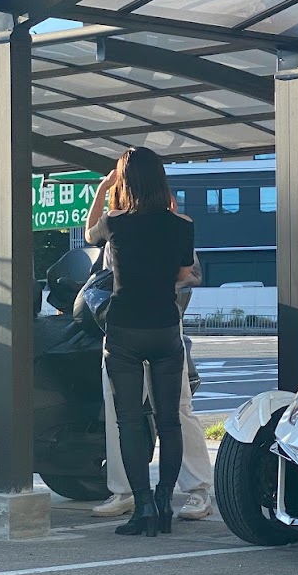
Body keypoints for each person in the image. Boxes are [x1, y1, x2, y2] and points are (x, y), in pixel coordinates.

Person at [85, 147, 195, 537]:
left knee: (129, 421)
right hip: (165, 328)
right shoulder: (182, 225)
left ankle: (143, 506)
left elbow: (89, 233)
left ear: (125, 181)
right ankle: (165, 500)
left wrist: (103, 188)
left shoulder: (115, 223)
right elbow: (183, 273)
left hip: (124, 331)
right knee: (169, 420)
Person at [92, 255, 215, 521]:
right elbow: (94, 245)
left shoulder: (166, 229)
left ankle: (198, 488)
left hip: (160, 319)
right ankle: (124, 490)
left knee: (177, 407)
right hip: (121, 320)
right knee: (116, 409)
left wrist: (153, 284)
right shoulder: (113, 234)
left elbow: (193, 273)